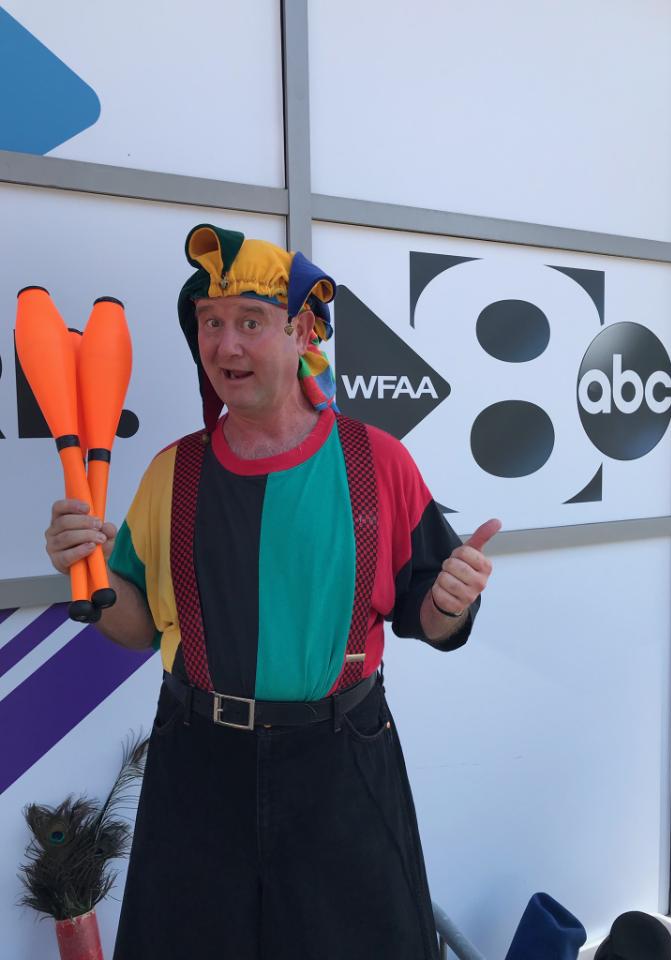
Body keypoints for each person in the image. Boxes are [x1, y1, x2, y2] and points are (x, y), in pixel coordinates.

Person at [44, 224, 500, 960]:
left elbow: (432, 617)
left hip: (341, 763)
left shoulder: (375, 462)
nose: (226, 346)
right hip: (198, 764)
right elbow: (133, 626)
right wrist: (88, 576)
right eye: (210, 324)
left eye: (250, 323)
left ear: (301, 334)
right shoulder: (171, 474)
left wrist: (450, 606)